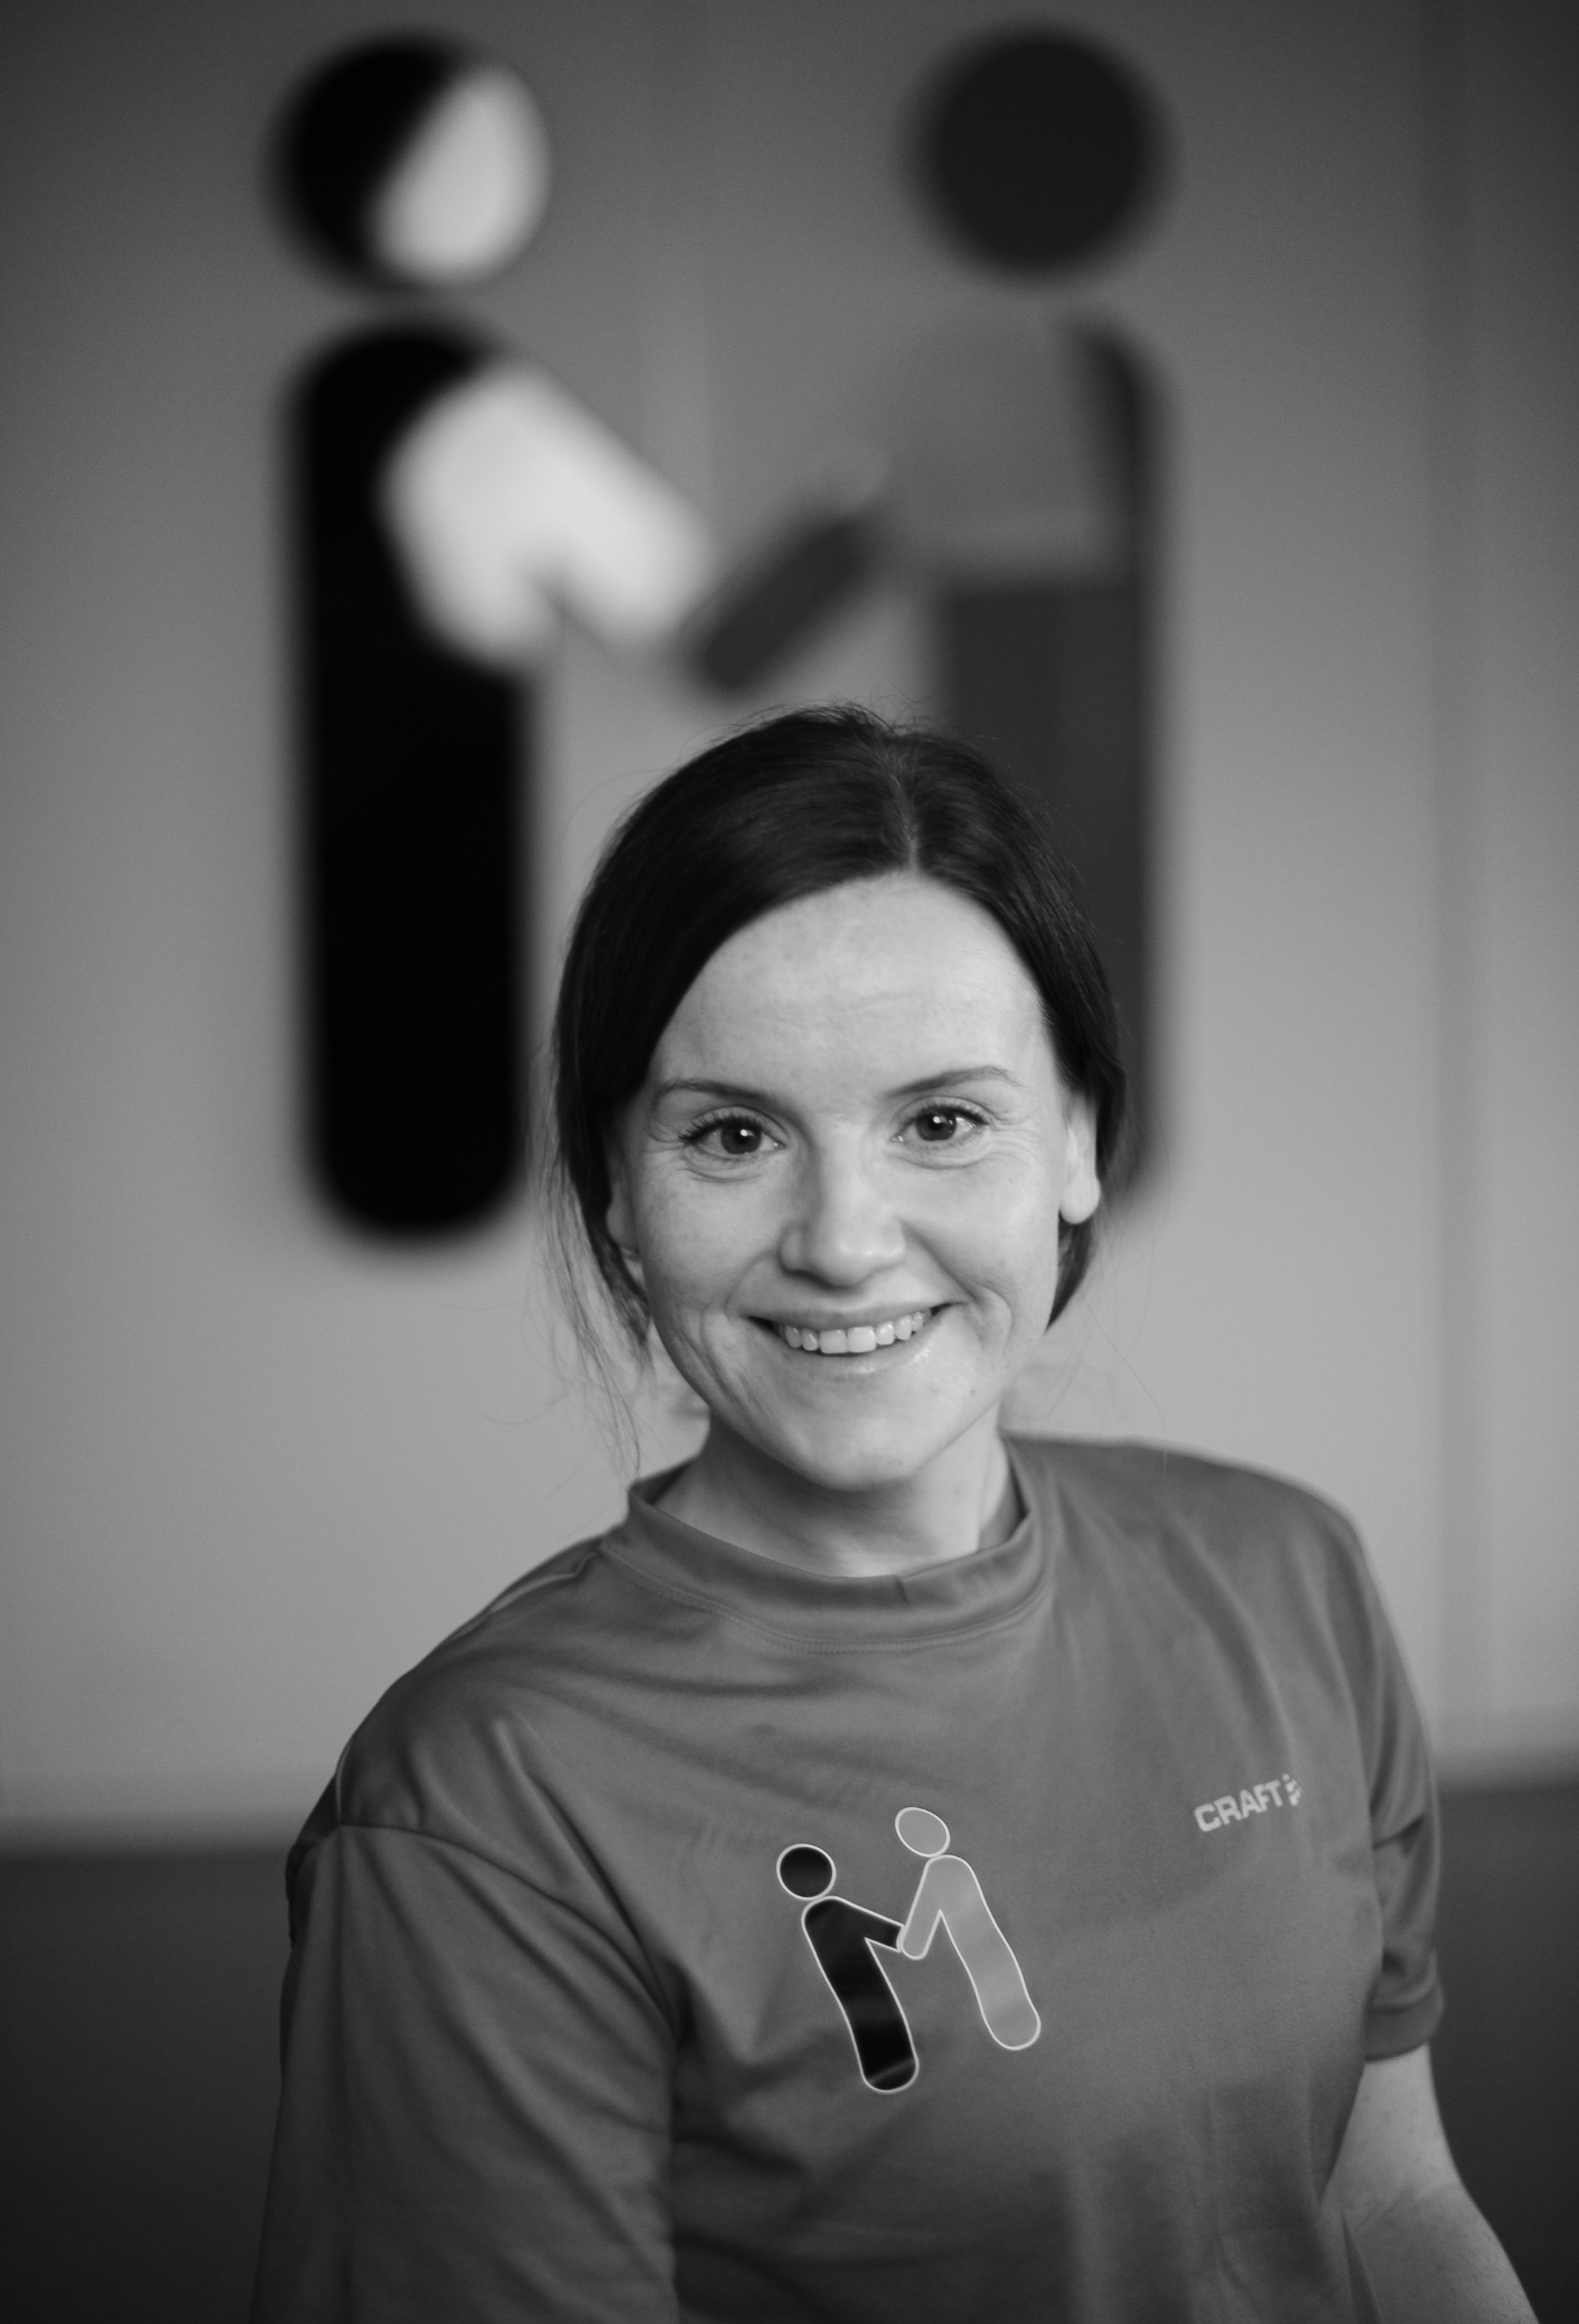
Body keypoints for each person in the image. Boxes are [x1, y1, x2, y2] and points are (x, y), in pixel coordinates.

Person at [251, 705, 1535, 2322]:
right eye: (732, 1135)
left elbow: (1391, 2199)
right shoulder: (485, 1805)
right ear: (622, 1195)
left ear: (1076, 1143)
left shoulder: (1285, 1574)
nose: (845, 1241)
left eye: (941, 1122)